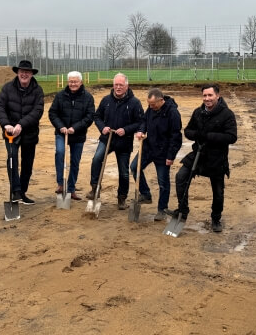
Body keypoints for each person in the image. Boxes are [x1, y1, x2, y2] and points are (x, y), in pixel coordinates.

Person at [167, 83, 237, 232]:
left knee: (218, 192)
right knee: (181, 176)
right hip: (198, 154)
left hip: (217, 158)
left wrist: (209, 136)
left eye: (210, 95)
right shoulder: (198, 112)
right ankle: (182, 210)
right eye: (204, 95)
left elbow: (231, 137)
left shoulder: (227, 114)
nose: (207, 98)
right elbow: (188, 131)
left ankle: (216, 219)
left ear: (217, 96)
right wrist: (198, 135)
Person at [86, 73, 144, 210]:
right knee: (96, 159)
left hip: (124, 141)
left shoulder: (134, 103)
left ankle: (121, 198)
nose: (118, 87)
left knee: (123, 172)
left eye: (121, 85)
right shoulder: (106, 100)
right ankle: (95, 188)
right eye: (116, 85)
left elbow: (140, 122)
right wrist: (102, 127)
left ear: (126, 86)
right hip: (107, 139)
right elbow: (97, 116)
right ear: (113, 85)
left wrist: (126, 130)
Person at [0, 60, 44, 205]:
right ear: (17, 73)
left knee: (27, 164)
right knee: (12, 158)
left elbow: (38, 111)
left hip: (29, 132)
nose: (24, 74)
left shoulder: (37, 90)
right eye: (22, 72)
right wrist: (6, 124)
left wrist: (21, 125)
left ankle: (22, 192)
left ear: (31, 74)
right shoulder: (7, 88)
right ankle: (15, 191)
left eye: (27, 72)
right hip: (10, 133)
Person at [131, 88, 182, 221]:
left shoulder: (173, 113)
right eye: (149, 104)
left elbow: (176, 136)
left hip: (163, 152)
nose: (151, 107)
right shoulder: (151, 109)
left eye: (153, 104)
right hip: (148, 148)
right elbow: (144, 121)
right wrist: (141, 130)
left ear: (161, 100)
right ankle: (146, 194)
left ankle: (162, 209)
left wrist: (171, 156)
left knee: (163, 182)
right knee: (134, 167)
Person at [48, 71, 95, 200]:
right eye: (70, 81)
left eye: (75, 81)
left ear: (81, 82)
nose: (73, 84)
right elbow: (53, 113)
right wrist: (61, 127)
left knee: (75, 161)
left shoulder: (88, 97)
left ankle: (71, 189)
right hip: (62, 133)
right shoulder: (60, 96)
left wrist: (75, 128)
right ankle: (60, 184)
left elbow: (89, 117)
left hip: (78, 135)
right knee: (60, 153)